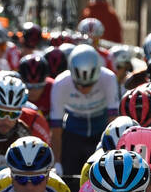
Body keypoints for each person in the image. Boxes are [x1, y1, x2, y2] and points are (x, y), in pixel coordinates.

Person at [49, 45, 119, 178]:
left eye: (90, 85)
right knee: (69, 174)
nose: (84, 90)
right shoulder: (60, 83)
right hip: (73, 131)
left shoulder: (109, 78)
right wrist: (56, 162)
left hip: (101, 129)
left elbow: (113, 122)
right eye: (78, 85)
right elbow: (56, 129)